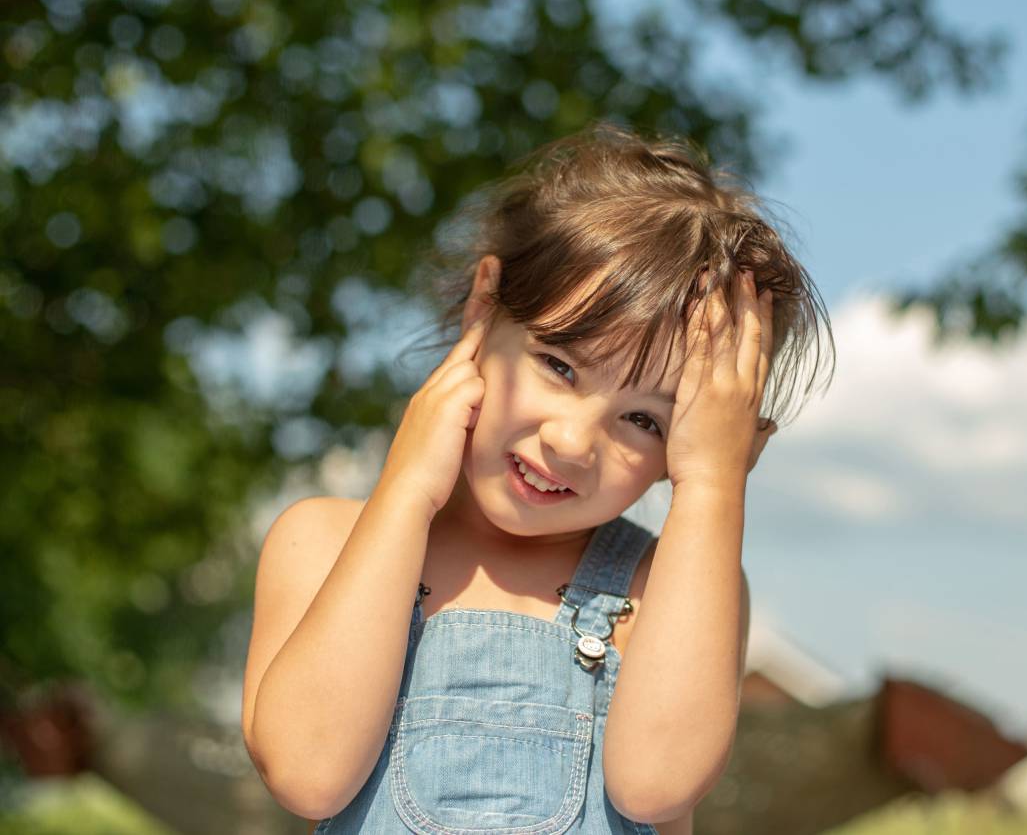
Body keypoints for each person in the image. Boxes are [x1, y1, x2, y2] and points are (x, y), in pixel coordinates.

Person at [240, 120, 834, 835]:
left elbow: (656, 786)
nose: (573, 442)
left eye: (646, 422)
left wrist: (712, 488)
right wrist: (405, 494)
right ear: (485, 306)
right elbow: (308, 772)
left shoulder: (662, 588)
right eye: (560, 366)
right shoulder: (323, 542)